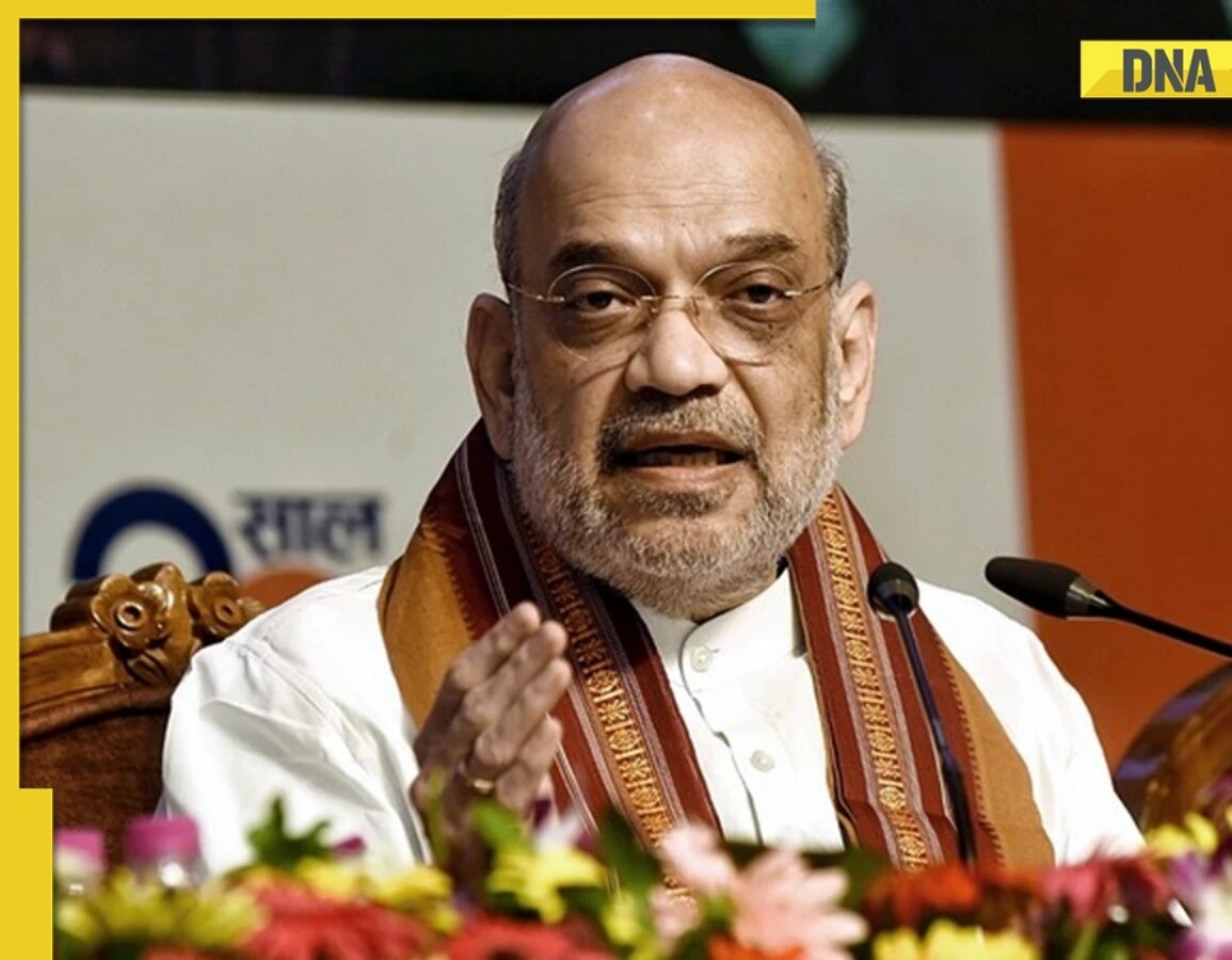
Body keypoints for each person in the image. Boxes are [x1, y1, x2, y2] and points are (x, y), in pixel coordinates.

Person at [160, 53, 1142, 876]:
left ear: (846, 363)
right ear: (501, 372)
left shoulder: (992, 682)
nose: (676, 365)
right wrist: (461, 907)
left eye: (755, 295)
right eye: (600, 300)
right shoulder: (307, 697)